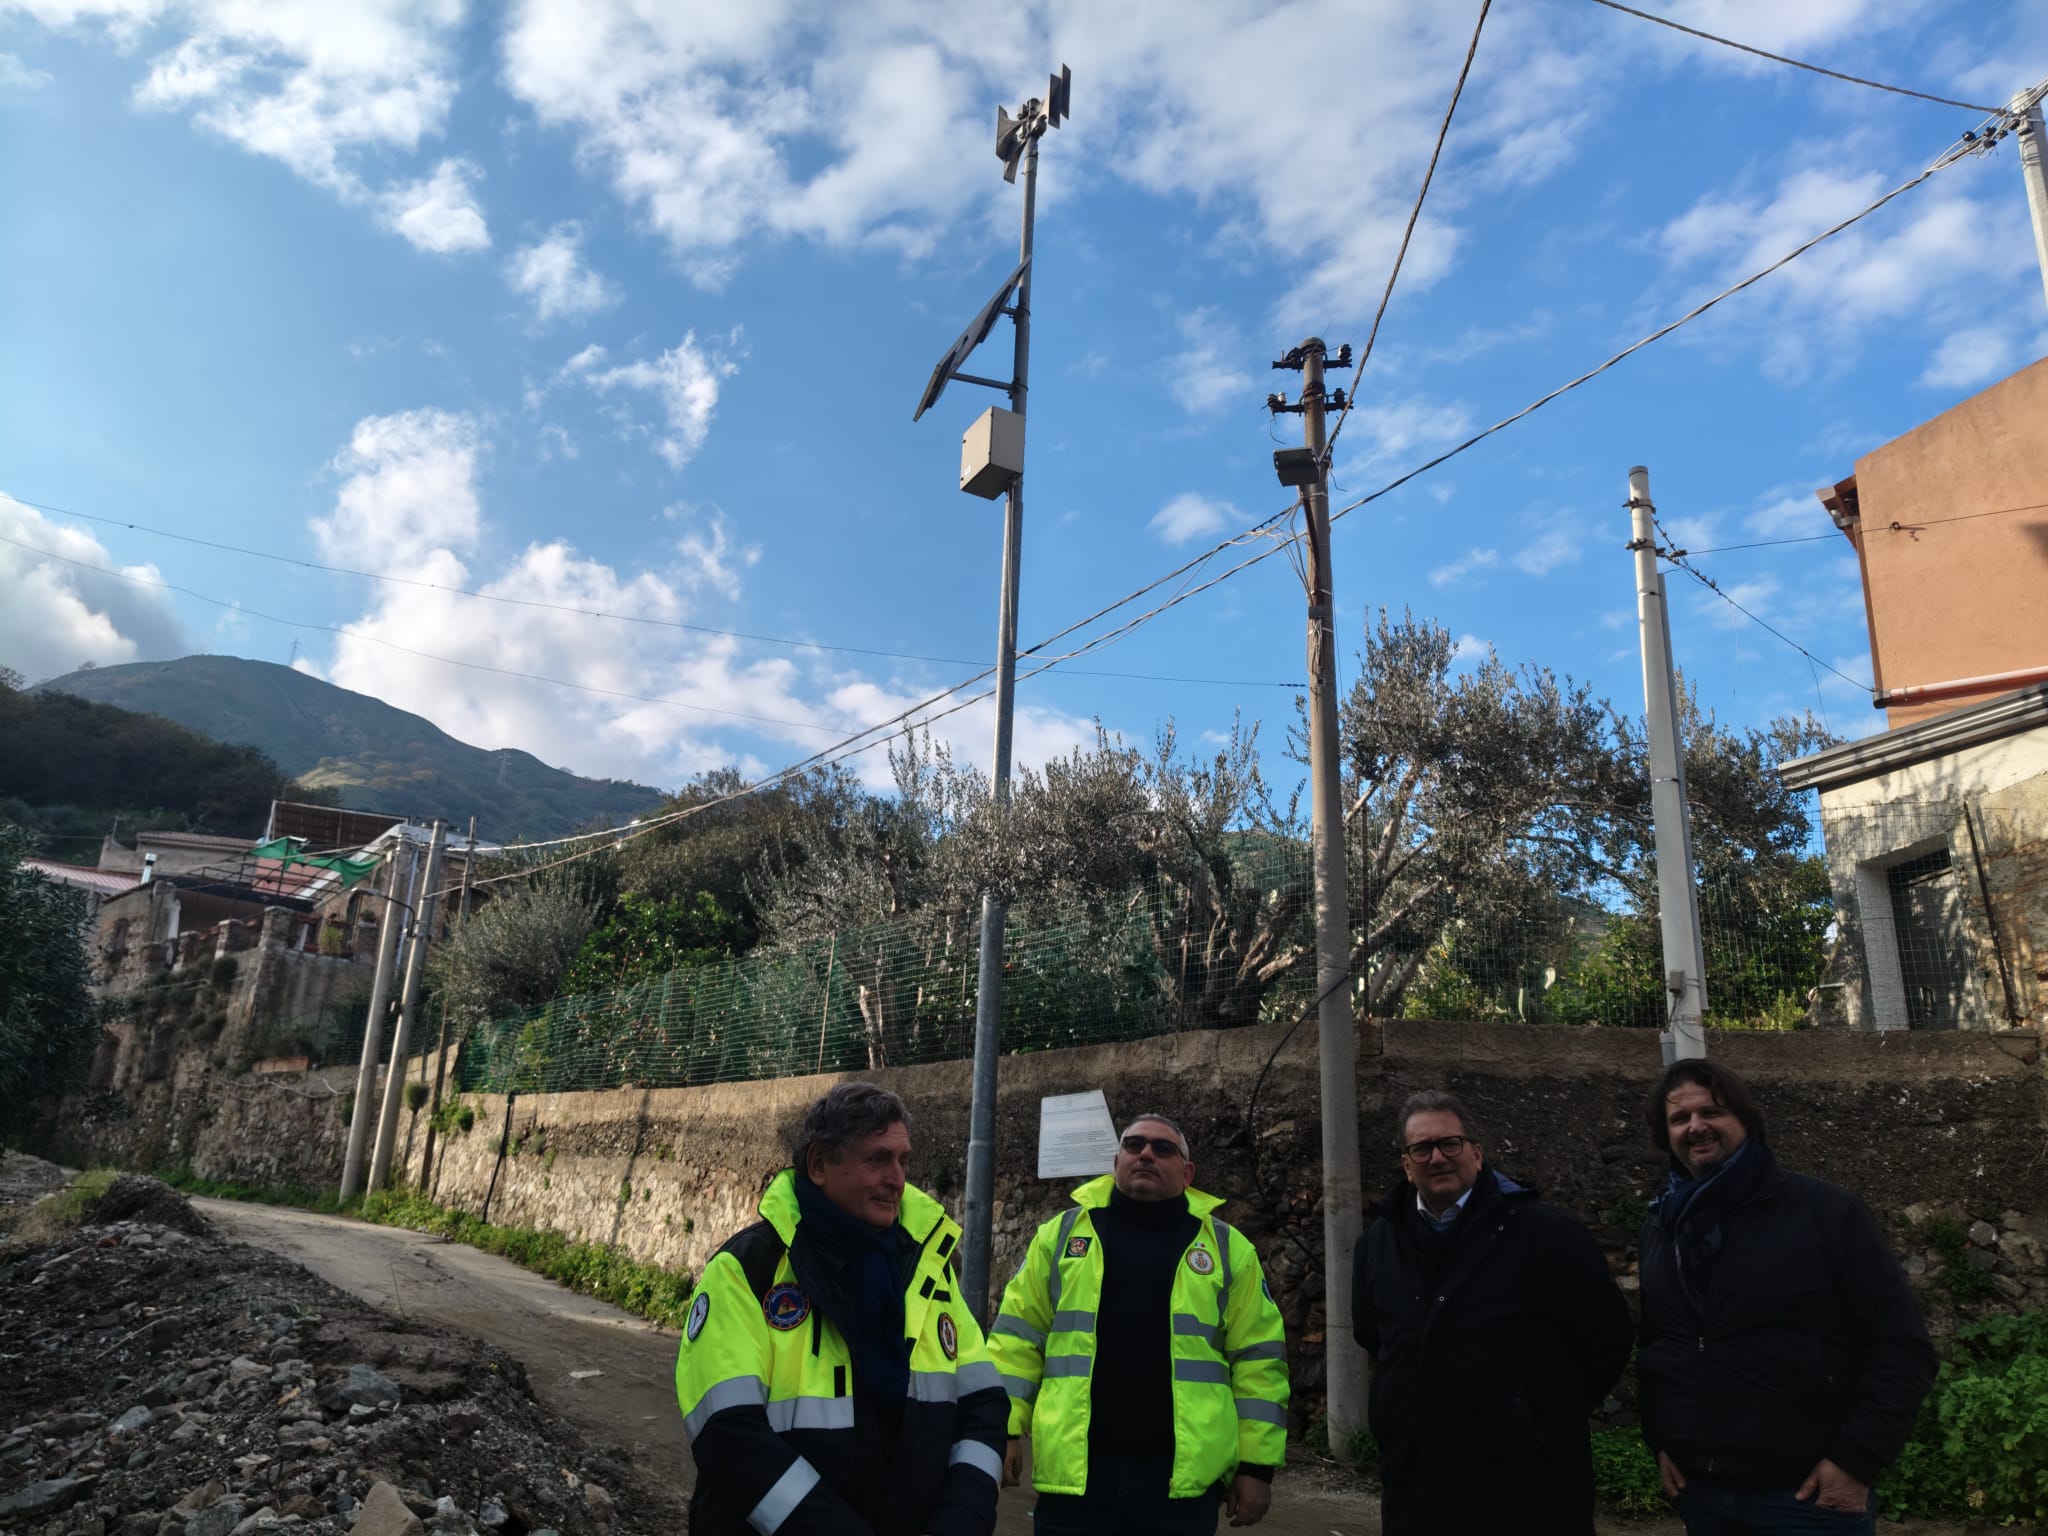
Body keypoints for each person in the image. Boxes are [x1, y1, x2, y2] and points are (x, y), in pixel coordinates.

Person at [674, 1082, 1006, 1536]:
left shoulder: (929, 1270)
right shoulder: (747, 1271)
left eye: (902, 1161)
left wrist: (961, 1521)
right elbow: (727, 1436)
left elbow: (983, 1407)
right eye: (877, 1160)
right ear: (818, 1165)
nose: (897, 1179)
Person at [1636, 1059, 1936, 1536]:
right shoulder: (1662, 1227)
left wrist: (1856, 1459)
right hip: (1704, 1496)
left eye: (1712, 1112)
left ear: (1746, 1122)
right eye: (1679, 1118)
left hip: (1807, 1499)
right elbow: (1659, 1343)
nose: (1696, 1127)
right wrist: (1660, 1440)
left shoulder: (1826, 1214)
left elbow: (1901, 1346)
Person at [988, 1114, 1289, 1532]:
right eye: (1133, 1145)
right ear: (1116, 1162)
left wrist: (1257, 1468)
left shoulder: (1228, 1251)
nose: (1146, 1153)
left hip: (1178, 1484)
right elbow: (1015, 1341)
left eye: (1163, 1148)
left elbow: (1259, 1362)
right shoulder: (1058, 1238)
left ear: (1187, 1173)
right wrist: (1001, 1429)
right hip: (1076, 1479)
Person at [1353, 1090, 1632, 1535]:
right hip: (1418, 1485)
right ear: (1407, 1166)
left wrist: (1537, 1416)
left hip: (1528, 1488)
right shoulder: (1377, 1244)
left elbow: (1607, 1338)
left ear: (1477, 1154)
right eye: (1422, 1148)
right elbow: (1375, 1335)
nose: (1438, 1157)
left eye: (1451, 1143)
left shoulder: (1548, 1235)